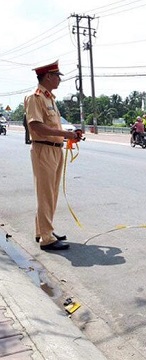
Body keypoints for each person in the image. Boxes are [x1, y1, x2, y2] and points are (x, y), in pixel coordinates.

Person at [24, 60, 82, 251]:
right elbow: (36, 126)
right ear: (48, 76)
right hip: (43, 149)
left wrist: (70, 134)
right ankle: (46, 239)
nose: (59, 79)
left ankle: (43, 230)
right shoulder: (36, 98)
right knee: (45, 193)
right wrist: (66, 135)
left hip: (55, 149)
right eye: (57, 76)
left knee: (51, 193)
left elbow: (53, 126)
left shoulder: (50, 98)